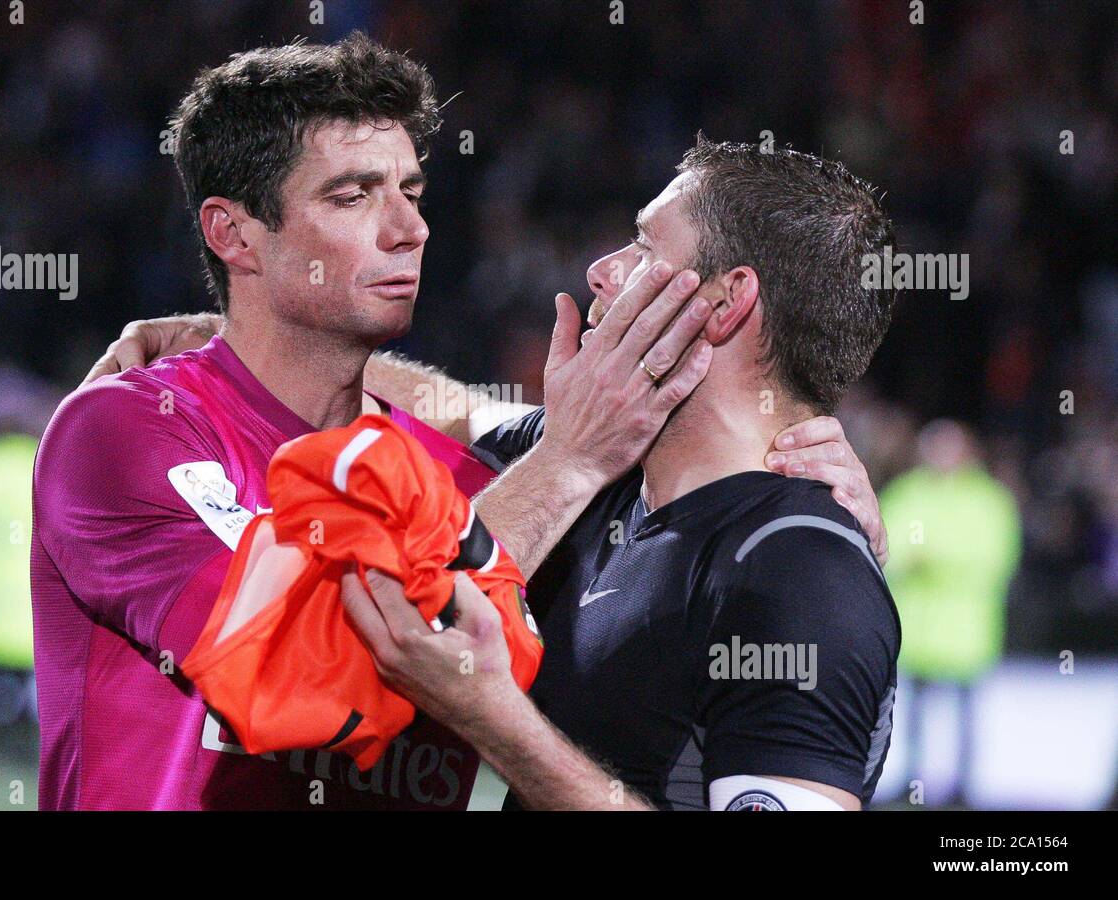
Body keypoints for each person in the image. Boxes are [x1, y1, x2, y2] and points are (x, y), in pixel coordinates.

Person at [60, 35, 886, 810]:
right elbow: (293, 669)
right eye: (353, 196)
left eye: (413, 194)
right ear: (232, 233)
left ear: (726, 300)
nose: (411, 229)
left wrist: (826, 545)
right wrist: (235, 337)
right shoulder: (132, 429)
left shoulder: (534, 494)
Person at [335, 138, 902, 811]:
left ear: (725, 303)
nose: (603, 269)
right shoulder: (599, 465)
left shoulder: (798, 570)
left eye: (643, 247)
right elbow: (452, 410)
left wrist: (494, 719)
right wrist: (223, 339)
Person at [879, 418, 1021, 807]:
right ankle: (912, 782)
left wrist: (935, 560)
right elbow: (885, 545)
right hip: (921, 633)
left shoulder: (989, 500)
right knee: (913, 718)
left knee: (965, 717)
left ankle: (962, 787)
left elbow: (996, 558)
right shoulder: (909, 492)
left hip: (965, 633)